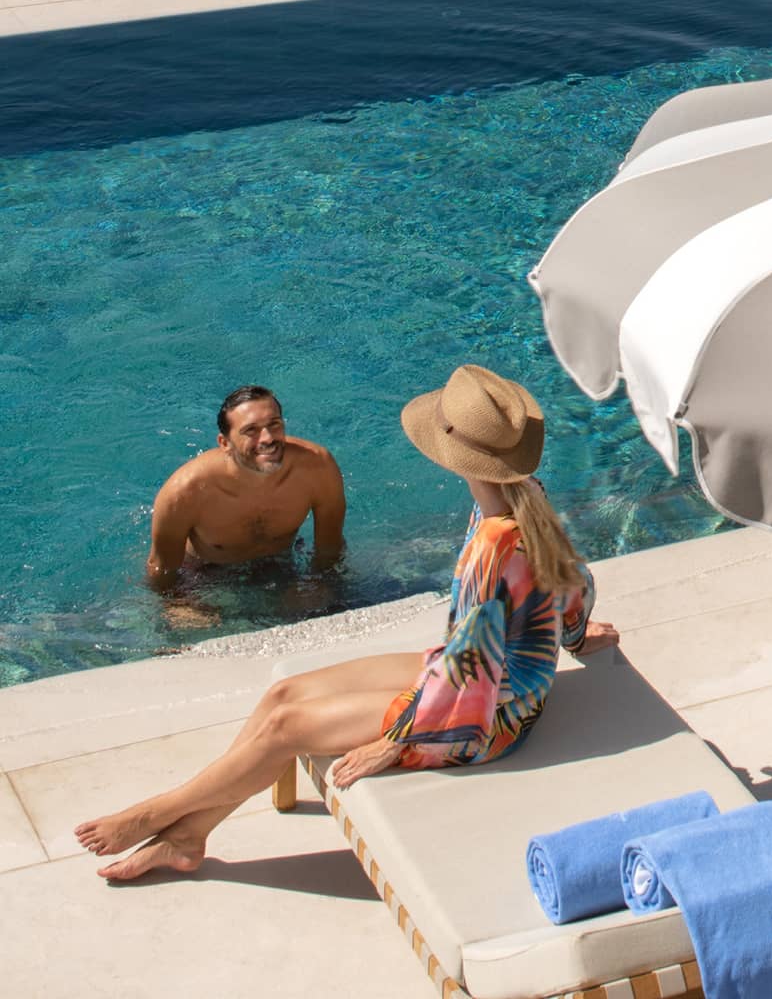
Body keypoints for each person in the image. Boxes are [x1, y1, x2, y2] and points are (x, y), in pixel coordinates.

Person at [78, 365, 618, 882]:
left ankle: (157, 814)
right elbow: (574, 580)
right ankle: (190, 835)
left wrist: (397, 741)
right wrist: (573, 635)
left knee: (286, 728)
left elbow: (467, 670)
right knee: (284, 695)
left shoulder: (491, 547)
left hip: (487, 720)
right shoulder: (526, 497)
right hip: (488, 682)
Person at [145, 386, 346, 587]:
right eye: (251, 430)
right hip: (206, 576)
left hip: (280, 565)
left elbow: (329, 550)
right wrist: (180, 603)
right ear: (225, 443)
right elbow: (161, 570)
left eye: (274, 424)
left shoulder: (317, 467)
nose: (268, 438)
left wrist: (320, 589)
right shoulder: (185, 491)